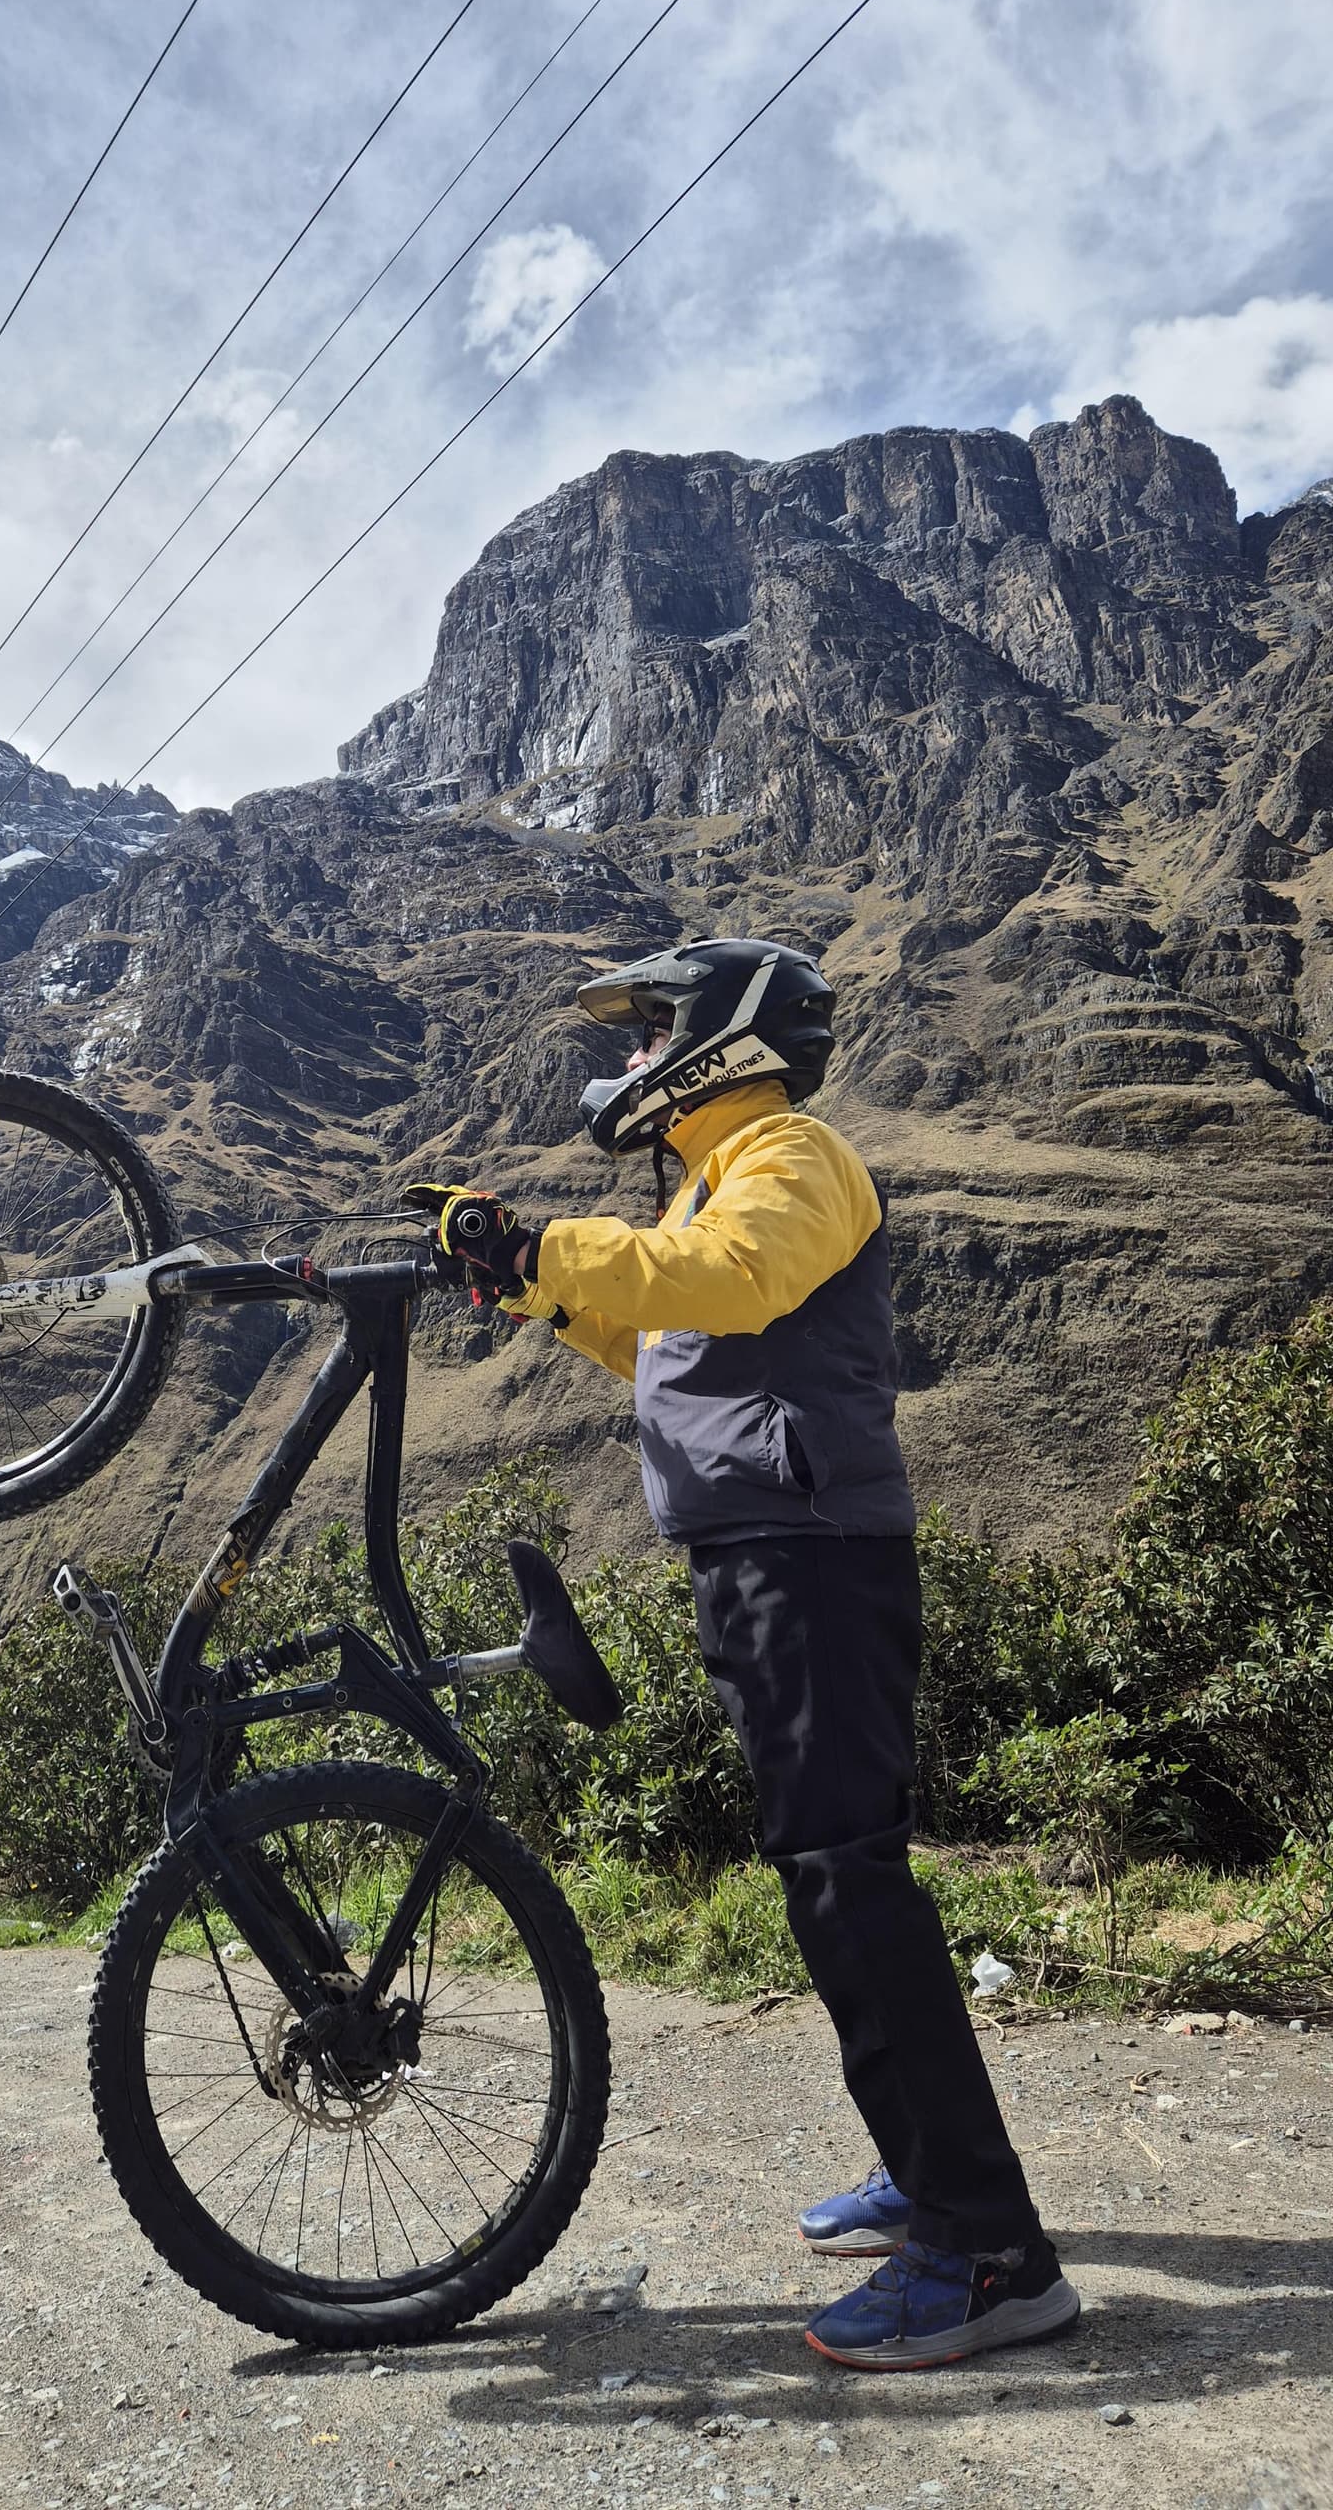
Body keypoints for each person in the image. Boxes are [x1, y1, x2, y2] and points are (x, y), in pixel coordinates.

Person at [406, 936, 1080, 2371]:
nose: (631, 1060)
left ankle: (992, 2256)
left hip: (813, 1552)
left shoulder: (793, 1153)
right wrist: (529, 1284)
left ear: (724, 1035)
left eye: (651, 1033)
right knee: (830, 1875)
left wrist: (542, 1248)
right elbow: (675, 1346)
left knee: (849, 1877)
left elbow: (731, 1280)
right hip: (764, 1550)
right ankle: (928, 2172)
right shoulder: (711, 1181)